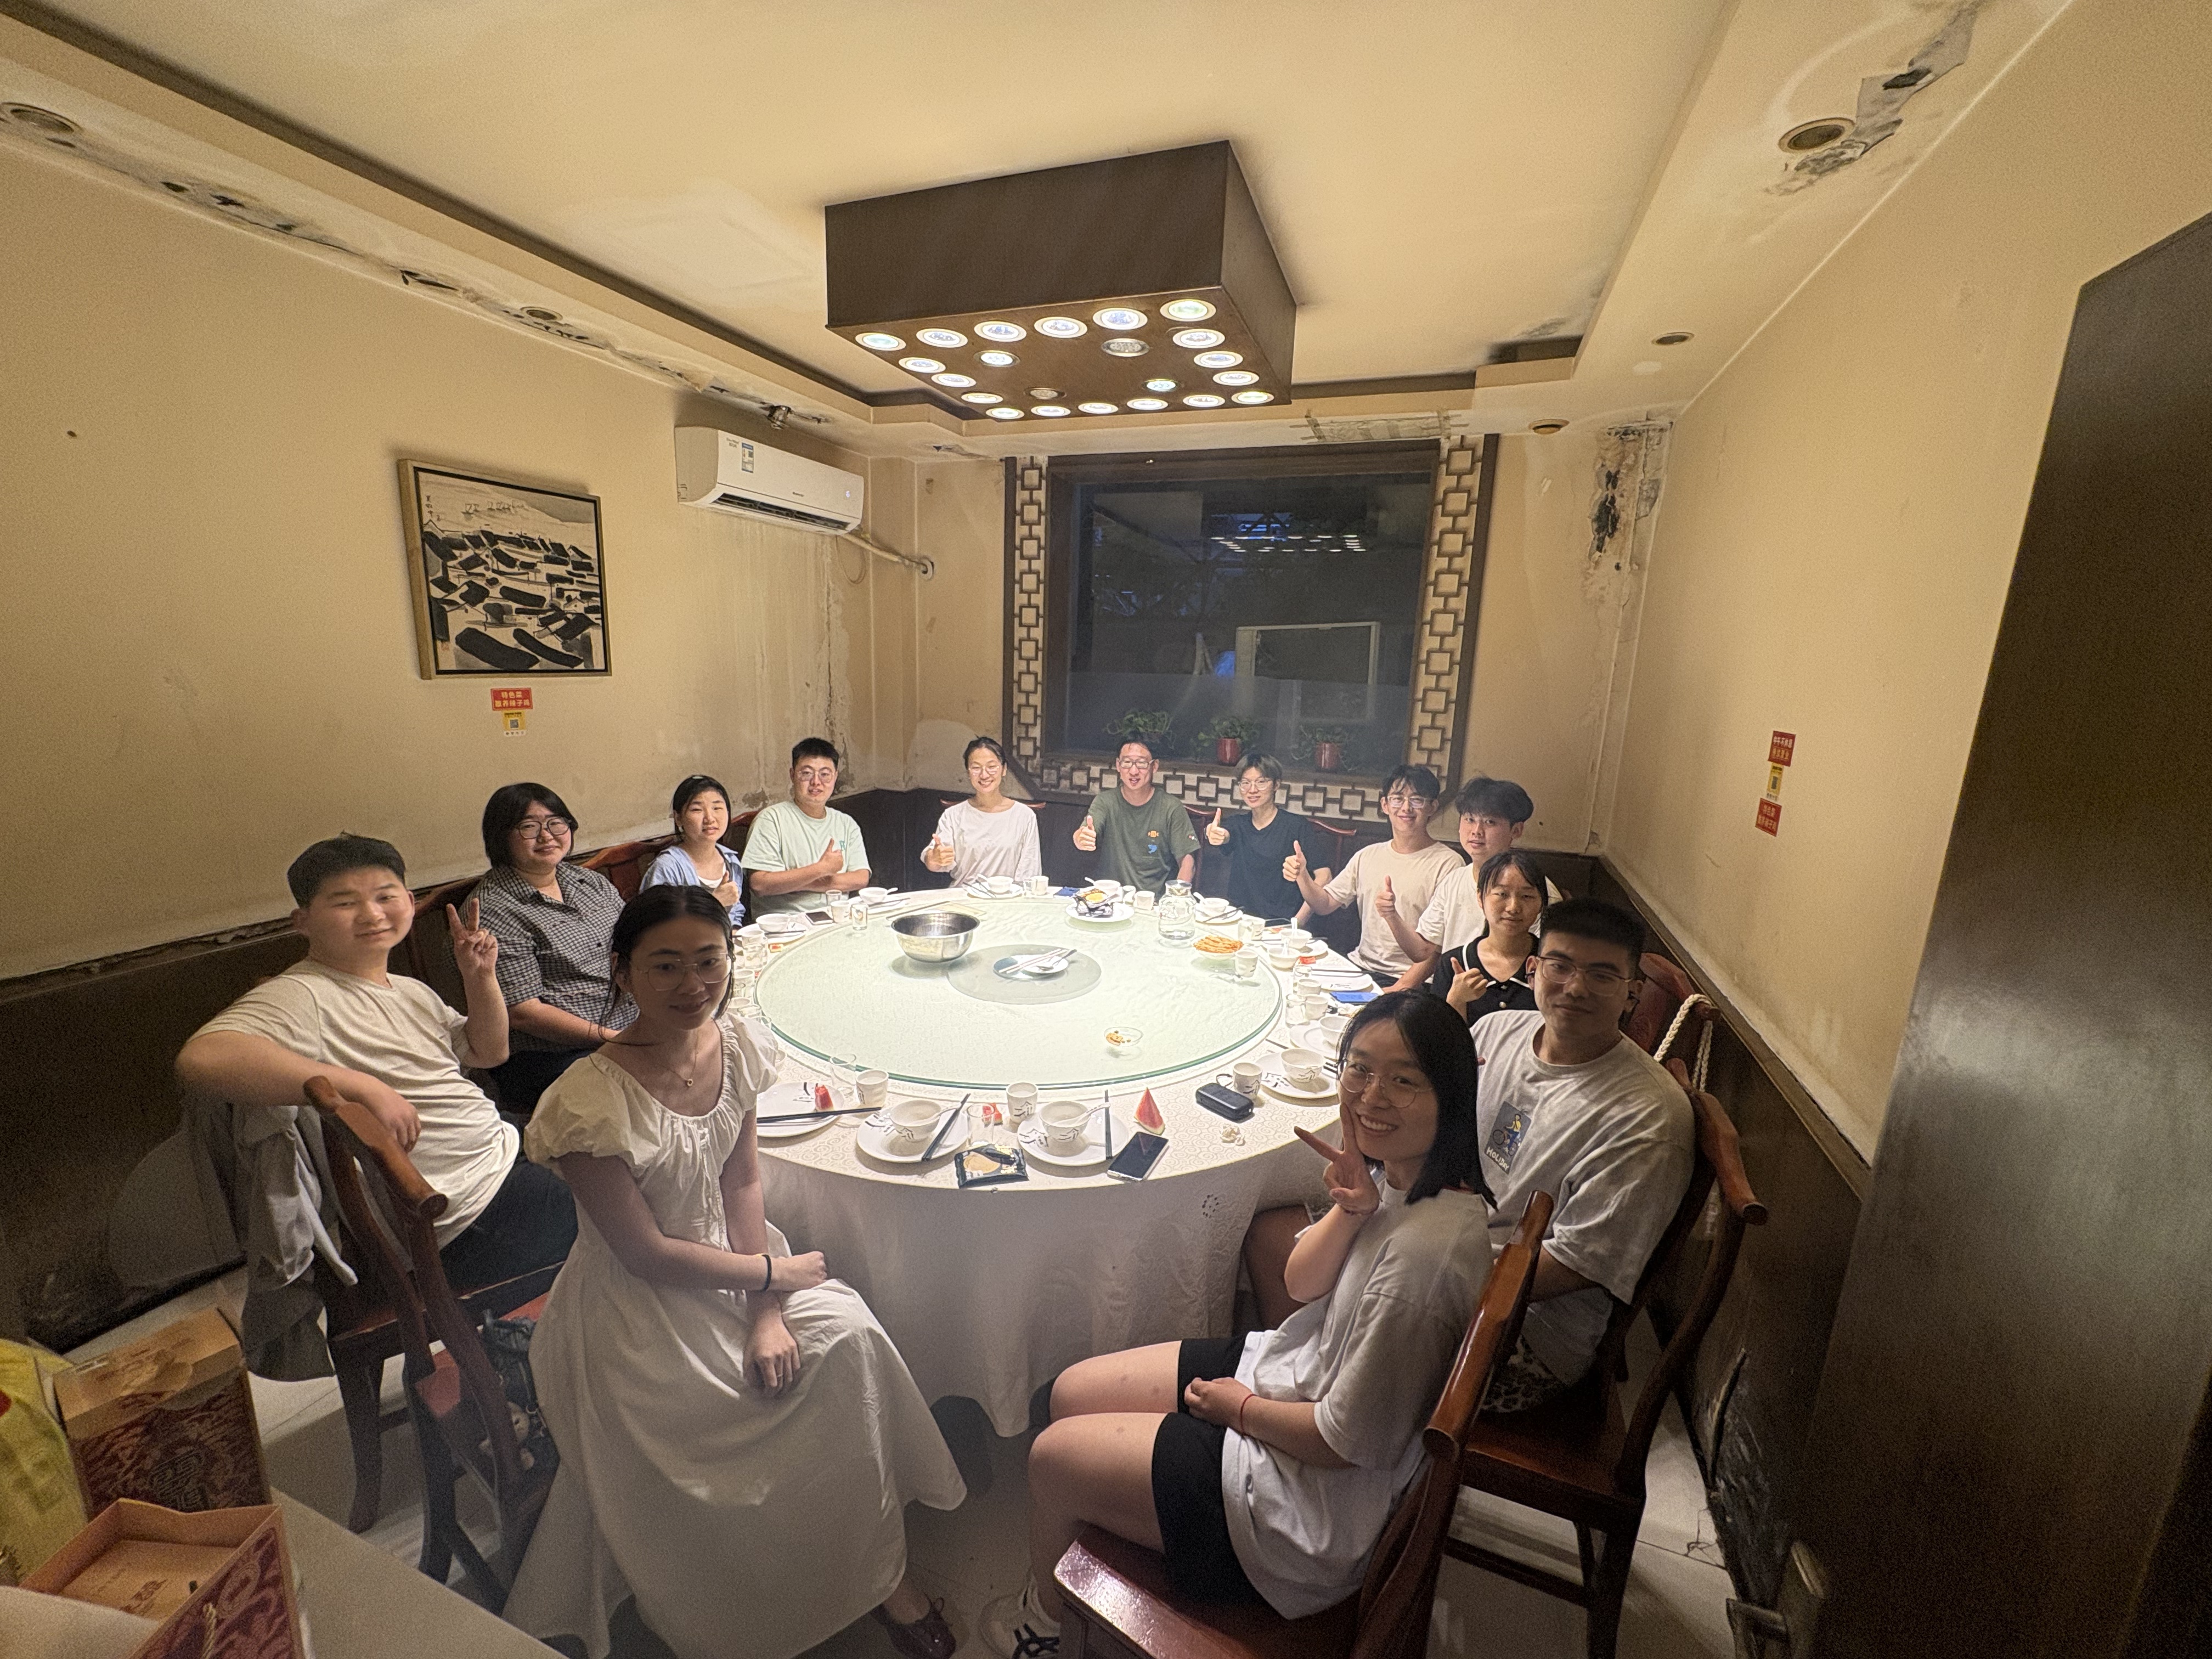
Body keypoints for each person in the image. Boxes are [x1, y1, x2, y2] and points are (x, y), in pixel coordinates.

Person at [503, 887, 966, 1659]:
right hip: (636, 1313)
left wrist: (766, 1310)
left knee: (849, 1339)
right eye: (666, 966)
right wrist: (771, 1274)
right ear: (621, 971)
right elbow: (645, 1254)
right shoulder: (586, 1102)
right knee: (720, 1426)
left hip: (736, 1263)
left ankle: (879, 1573)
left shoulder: (734, 1044)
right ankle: (744, 1614)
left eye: (708, 961)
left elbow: (742, 1181)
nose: (693, 985)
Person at [983, 993, 1494, 1654]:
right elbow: (1300, 1284)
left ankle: (1046, 1628)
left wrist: (1240, 1411)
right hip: (1291, 1372)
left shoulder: (1421, 1265)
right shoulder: (1406, 1180)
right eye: (1360, 1068)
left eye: (1404, 1080)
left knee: (1051, 1459)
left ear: (1451, 1093)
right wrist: (1352, 1209)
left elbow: (1342, 1443)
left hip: (1302, 1511)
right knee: (1070, 1392)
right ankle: (1119, 1520)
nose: (1372, 1096)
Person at [175, 834, 576, 1288]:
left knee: (625, 1156)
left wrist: (480, 977)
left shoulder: (408, 989)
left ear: (409, 902)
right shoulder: (302, 994)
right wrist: (362, 1086)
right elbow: (201, 1058)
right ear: (302, 922)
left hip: (499, 1154)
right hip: (464, 1212)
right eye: (345, 903)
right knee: (628, 1216)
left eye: (385, 897)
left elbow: (488, 1051)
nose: (371, 914)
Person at [1469, 898, 1693, 1412]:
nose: (1575, 987)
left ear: (1631, 994)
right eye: (1561, 966)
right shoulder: (1494, 1033)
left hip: (1525, 1335)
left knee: (1356, 1310)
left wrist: (1436, 1275)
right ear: (1533, 969)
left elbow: (1574, 1265)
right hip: (1458, 1255)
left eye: (1602, 975)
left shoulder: (1648, 1118)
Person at [475, 782, 630, 1116]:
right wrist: (614, 1038)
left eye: (555, 823)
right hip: (552, 1055)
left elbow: (635, 940)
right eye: (529, 827)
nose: (546, 836)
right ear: (501, 837)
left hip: (626, 1025)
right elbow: (523, 1012)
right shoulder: (494, 909)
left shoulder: (587, 881)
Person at [1282, 764, 1463, 982]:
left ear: (1432, 807)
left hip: (1409, 980)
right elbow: (1325, 904)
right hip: (1361, 968)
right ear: (1385, 805)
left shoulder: (1449, 864)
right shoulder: (1367, 855)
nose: (1406, 808)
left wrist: (1399, 988)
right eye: (1398, 799)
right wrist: (1303, 876)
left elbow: (1438, 946)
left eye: (1417, 800)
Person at [1383, 775, 1560, 992]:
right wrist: (1390, 914)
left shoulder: (1537, 892)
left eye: (1490, 822)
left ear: (1516, 830)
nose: (1477, 831)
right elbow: (1426, 951)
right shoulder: (1455, 880)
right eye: (1469, 819)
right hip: (1449, 992)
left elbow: (1547, 964)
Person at [741, 737, 873, 916]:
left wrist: (797, 883)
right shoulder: (771, 819)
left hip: (837, 918)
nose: (816, 782)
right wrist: (822, 869)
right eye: (807, 773)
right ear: (793, 775)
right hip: (787, 923)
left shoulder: (846, 823)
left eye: (825, 774)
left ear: (835, 777)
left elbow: (860, 878)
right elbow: (760, 884)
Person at [1198, 752, 1329, 922]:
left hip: (1280, 923)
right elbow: (1224, 834)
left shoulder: (1296, 826)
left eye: (1261, 782)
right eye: (1246, 783)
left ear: (1276, 785)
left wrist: (1298, 921)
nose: (1252, 790)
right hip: (1239, 920)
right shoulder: (1238, 824)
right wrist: (1212, 832)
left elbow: (1325, 875)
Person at [1427, 849, 1544, 1025]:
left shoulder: (1550, 964)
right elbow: (1439, 1038)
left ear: (1541, 903)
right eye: (1502, 894)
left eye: (1526, 896)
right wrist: (1456, 1000)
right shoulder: (1454, 963)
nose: (1513, 907)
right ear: (1480, 897)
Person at [1071, 738, 1198, 895]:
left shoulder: (1171, 807)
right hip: (1112, 900)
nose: (1133, 771)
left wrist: (1175, 898)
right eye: (1127, 763)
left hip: (1155, 902)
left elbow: (1188, 862)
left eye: (1141, 763)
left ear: (1155, 766)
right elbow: (1083, 832)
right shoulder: (1105, 802)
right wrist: (1081, 839)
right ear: (1118, 765)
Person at [920, 736, 1042, 885]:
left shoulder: (1024, 816)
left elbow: (1029, 872)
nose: (984, 775)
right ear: (968, 772)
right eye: (976, 768)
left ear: (1004, 769)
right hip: (964, 895)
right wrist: (934, 858)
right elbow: (935, 863)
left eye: (992, 767)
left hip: (1008, 897)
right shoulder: (953, 815)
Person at [641, 774, 746, 923]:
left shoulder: (730, 860)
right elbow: (657, 927)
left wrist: (735, 932)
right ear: (678, 818)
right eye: (697, 810)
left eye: (717, 808)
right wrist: (715, 902)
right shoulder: (667, 868)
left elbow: (735, 914)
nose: (710, 818)